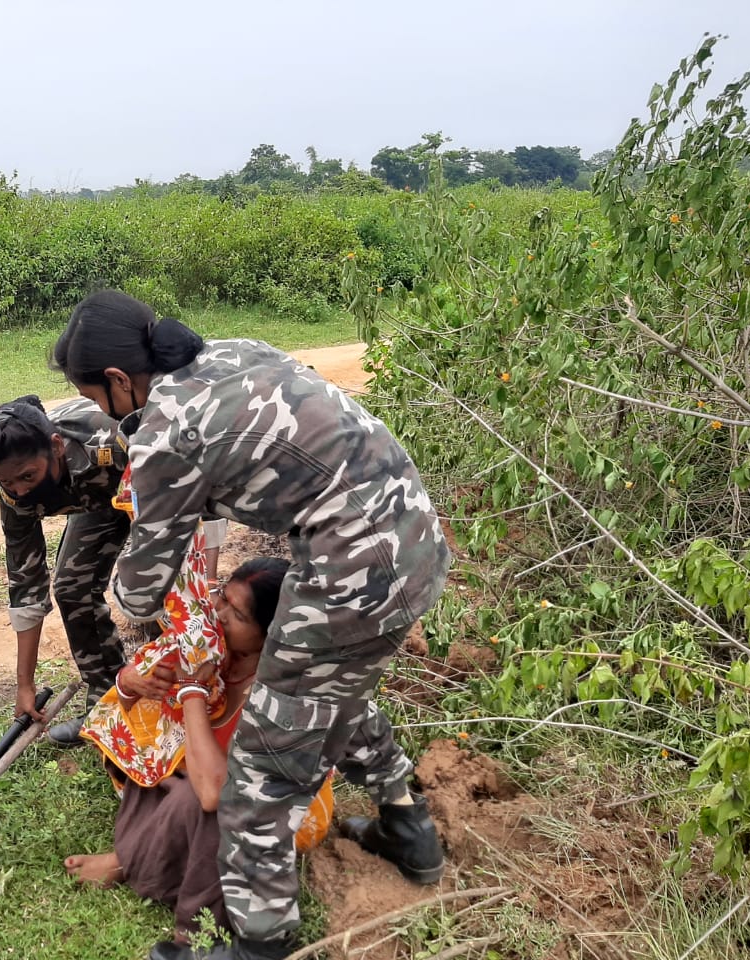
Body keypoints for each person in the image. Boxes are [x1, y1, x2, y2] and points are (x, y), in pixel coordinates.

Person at [52, 290, 451, 960]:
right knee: (334, 691)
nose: (102, 412)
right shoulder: (234, 351)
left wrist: (134, 553)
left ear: (120, 381)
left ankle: (259, 945)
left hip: (349, 569)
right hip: (414, 542)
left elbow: (140, 588)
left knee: (263, 772)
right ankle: (409, 830)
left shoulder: (164, 433)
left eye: (96, 397)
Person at [66, 558, 333, 948]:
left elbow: (213, 792)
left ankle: (193, 930)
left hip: (282, 810)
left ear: (271, 634)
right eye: (222, 597)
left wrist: (192, 688)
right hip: (215, 776)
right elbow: (134, 712)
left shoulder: (283, 694)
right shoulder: (214, 647)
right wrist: (131, 682)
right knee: (162, 753)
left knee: (206, 802)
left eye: (237, 614)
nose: (219, 615)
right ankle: (139, 855)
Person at [0, 394, 134, 744]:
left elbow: (181, 490)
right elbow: (26, 582)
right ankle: (108, 704)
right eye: (6, 482)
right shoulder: (15, 494)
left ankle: (179, 698)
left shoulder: (110, 440)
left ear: (57, 447)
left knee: (154, 588)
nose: (19, 490)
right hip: (97, 502)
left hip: (147, 486)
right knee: (71, 587)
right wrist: (25, 685)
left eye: (27, 476)